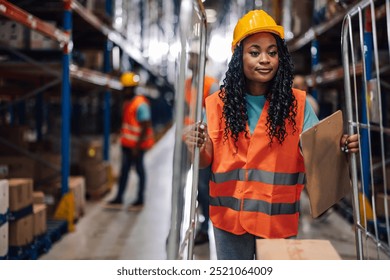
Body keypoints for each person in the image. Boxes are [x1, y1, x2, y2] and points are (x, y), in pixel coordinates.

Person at [183, 9, 359, 260]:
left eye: (272, 52)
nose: (264, 59)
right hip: (229, 222)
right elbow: (206, 160)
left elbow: (317, 152)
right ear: (238, 58)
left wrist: (340, 145)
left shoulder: (297, 105)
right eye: (254, 52)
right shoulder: (215, 105)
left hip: (276, 222)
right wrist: (197, 147)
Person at [105, 71, 155, 211]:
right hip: (127, 144)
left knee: (139, 170)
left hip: (136, 146)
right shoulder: (129, 103)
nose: (123, 91)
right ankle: (119, 198)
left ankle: (140, 199)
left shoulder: (140, 104)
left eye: (126, 88)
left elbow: (145, 125)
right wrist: (119, 133)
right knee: (125, 171)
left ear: (131, 88)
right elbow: (128, 123)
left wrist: (137, 147)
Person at [184, 45, 219, 245]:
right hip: (187, 141)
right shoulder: (188, 83)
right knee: (195, 187)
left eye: (193, 56)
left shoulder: (211, 85)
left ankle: (205, 228)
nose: (190, 60)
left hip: (203, 143)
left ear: (203, 60)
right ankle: (192, 222)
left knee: (204, 188)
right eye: (189, 56)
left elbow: (214, 118)